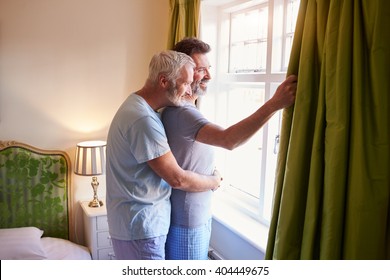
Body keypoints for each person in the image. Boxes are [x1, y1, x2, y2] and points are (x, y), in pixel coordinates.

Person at [162, 37, 297, 260]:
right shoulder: (182, 112)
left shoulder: (182, 108)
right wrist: (274, 104)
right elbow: (229, 140)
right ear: (181, 70)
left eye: (209, 68)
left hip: (193, 215)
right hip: (187, 220)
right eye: (201, 69)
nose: (209, 76)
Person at [105, 50, 222, 260]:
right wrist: (213, 181)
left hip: (136, 224)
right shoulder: (142, 120)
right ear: (163, 81)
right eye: (185, 83)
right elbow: (176, 178)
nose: (189, 90)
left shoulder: (136, 105)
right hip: (141, 227)